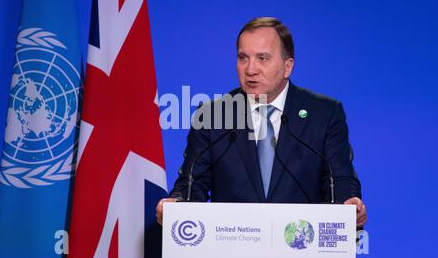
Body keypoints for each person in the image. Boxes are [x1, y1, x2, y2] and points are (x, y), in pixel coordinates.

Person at [156, 17, 367, 227]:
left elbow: (339, 180)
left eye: (262, 58)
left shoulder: (324, 114)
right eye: (242, 58)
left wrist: (349, 205)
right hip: (232, 245)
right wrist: (178, 204)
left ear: (288, 67)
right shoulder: (213, 116)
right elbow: (193, 183)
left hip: (300, 246)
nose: (250, 69)